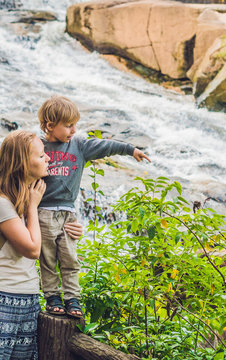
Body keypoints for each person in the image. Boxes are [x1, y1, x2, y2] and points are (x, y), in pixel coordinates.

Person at [0, 130, 82, 360]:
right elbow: (33, 249)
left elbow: (47, 240)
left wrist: (71, 231)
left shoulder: (27, 197)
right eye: (42, 155)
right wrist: (33, 207)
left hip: (27, 301)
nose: (49, 159)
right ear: (22, 162)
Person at [37, 95, 150, 318]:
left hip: (68, 212)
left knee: (69, 258)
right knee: (48, 259)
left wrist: (130, 149)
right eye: (68, 125)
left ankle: (72, 298)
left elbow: (105, 146)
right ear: (50, 125)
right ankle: (52, 296)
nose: (73, 130)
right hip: (43, 212)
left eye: (75, 124)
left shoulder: (79, 145)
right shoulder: (37, 147)